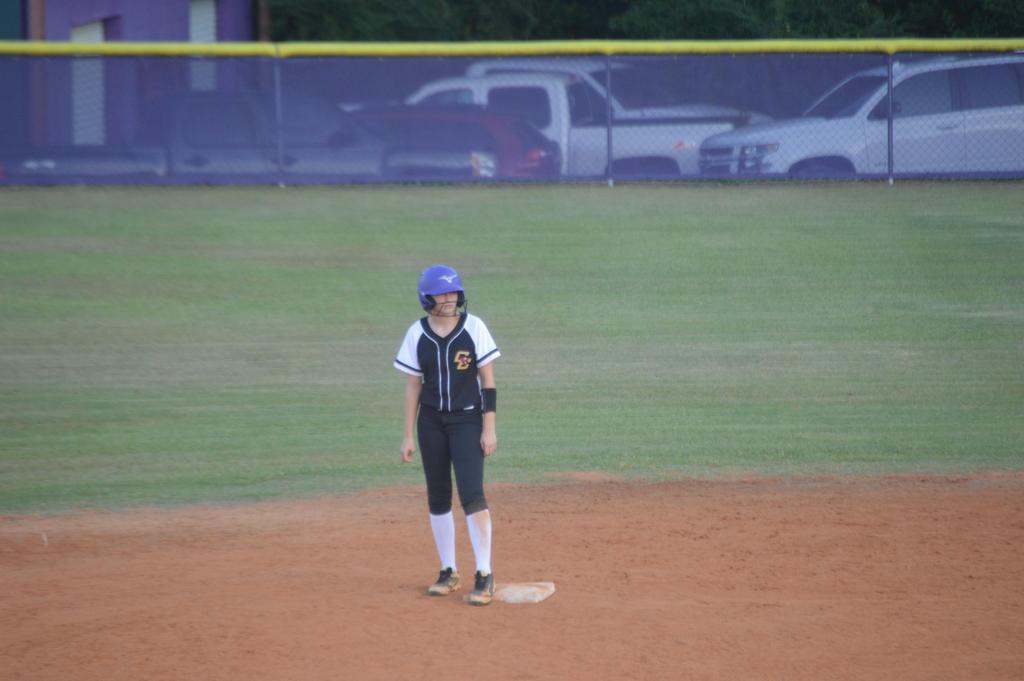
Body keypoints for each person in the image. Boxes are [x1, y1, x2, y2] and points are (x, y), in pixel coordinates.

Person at [394, 265, 500, 606]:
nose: (451, 299)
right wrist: (407, 435)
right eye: (443, 294)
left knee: (472, 495)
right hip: (431, 424)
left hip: (467, 422)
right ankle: (448, 570)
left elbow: (489, 382)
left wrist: (489, 428)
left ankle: (484, 574)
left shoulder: (474, 328)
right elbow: (413, 386)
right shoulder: (417, 334)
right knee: (438, 497)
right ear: (428, 299)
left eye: (454, 293)